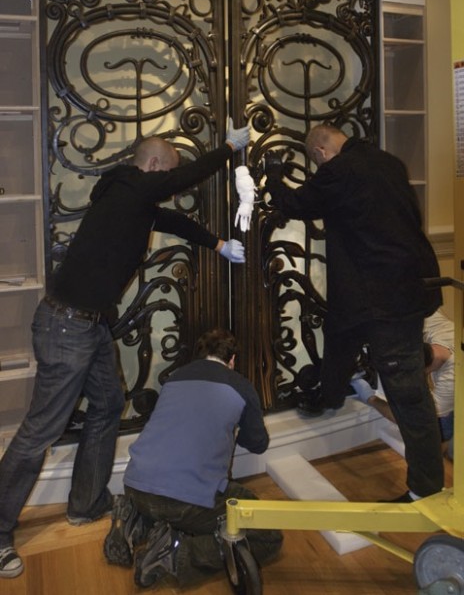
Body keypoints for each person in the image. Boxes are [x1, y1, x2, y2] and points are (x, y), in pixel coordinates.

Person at [0, 123, 250, 579]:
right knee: (40, 431)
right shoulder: (131, 187)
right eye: (165, 175)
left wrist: (216, 244)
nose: (167, 188)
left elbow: (171, 220)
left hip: (89, 325)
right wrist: (227, 150)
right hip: (66, 325)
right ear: (153, 165)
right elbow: (178, 183)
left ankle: (87, 503)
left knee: (109, 403)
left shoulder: (130, 198)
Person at [265, 123, 444, 503]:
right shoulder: (389, 163)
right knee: (342, 334)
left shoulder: (340, 171)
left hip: (382, 299)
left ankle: (425, 491)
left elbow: (296, 205)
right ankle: (328, 395)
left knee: (409, 397)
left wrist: (273, 174)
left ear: (320, 153)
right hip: (408, 288)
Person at [103, 328, 283, 589]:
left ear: (201, 356)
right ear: (232, 360)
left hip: (135, 484)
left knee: (167, 505)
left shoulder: (174, 379)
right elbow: (258, 444)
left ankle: (133, 520)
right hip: (184, 500)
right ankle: (174, 555)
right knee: (267, 534)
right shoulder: (241, 386)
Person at [352, 309, 454, 460]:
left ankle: (438, 458)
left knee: (436, 429)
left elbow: (413, 419)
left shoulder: (452, 380)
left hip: (454, 394)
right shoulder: (435, 324)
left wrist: (370, 398)